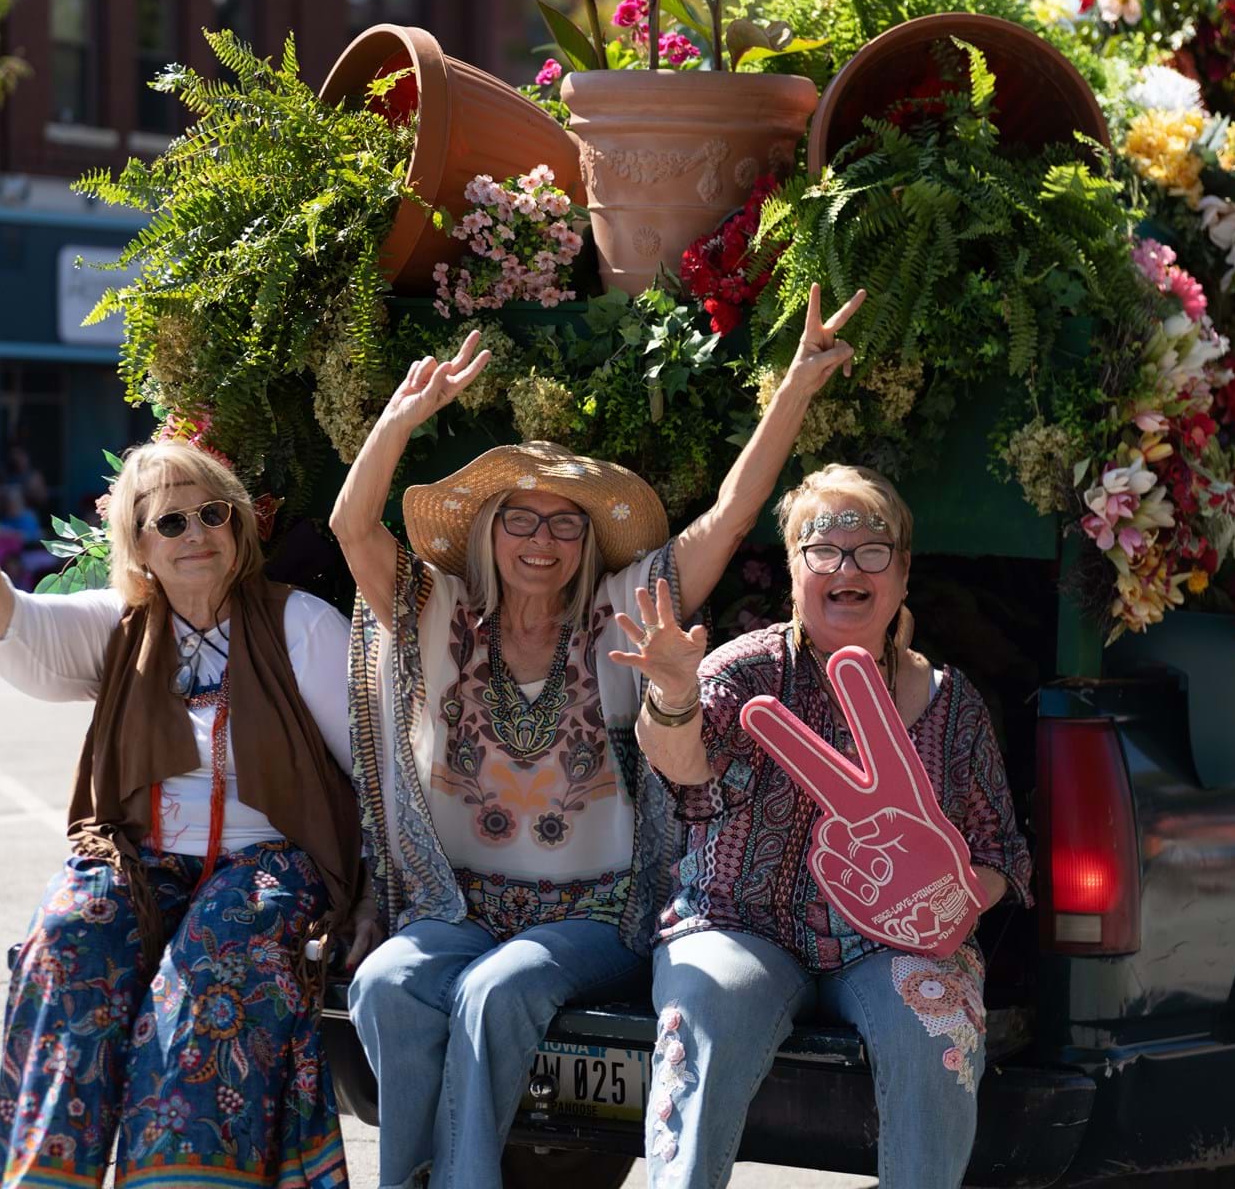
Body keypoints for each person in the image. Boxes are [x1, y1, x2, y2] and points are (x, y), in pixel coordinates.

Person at [334, 284, 868, 1189]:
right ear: (489, 536)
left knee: (496, 991)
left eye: (565, 526)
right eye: (522, 521)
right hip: (460, 908)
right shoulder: (438, 609)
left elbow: (729, 520)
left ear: (589, 546)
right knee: (385, 984)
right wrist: (401, 417)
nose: (542, 541)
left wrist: (793, 393)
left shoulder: (626, 613)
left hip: (596, 916)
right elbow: (354, 526)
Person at [0, 434, 373, 1189]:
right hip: (140, 857)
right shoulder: (118, 625)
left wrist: (382, 898)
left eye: (213, 514)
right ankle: (46, 1178)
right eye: (171, 522)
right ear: (137, 544)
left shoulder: (301, 625)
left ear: (240, 527)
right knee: (62, 946)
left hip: (268, 863)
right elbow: (10, 628)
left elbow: (377, 770)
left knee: (202, 985)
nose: (196, 534)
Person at [619, 463, 1034, 1188]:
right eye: (823, 550)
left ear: (902, 575)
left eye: (872, 550)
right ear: (793, 571)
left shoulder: (951, 702)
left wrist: (955, 893)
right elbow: (681, 765)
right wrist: (673, 693)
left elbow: (1002, 851)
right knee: (704, 1012)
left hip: (897, 941)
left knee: (937, 1027)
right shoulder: (748, 672)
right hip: (741, 924)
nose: (848, 567)